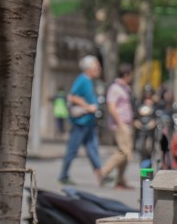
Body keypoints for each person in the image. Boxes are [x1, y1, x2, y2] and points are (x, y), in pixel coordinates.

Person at [58, 56, 105, 186]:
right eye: (96, 66)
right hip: (81, 122)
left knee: (92, 149)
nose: (99, 69)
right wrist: (87, 106)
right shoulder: (83, 79)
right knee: (73, 150)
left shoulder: (90, 81)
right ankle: (63, 176)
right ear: (89, 68)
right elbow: (72, 96)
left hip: (88, 122)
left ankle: (102, 175)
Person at [99, 64, 136, 189]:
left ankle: (120, 179)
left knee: (126, 153)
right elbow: (111, 107)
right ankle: (103, 172)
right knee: (124, 152)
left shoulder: (125, 88)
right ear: (126, 75)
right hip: (120, 124)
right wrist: (120, 123)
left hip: (127, 123)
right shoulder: (115, 88)